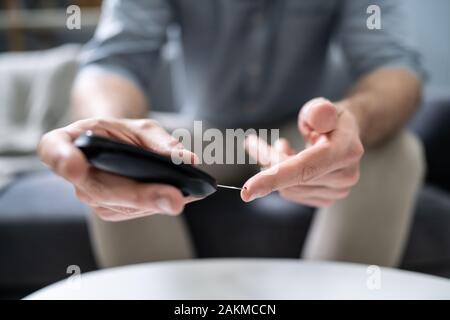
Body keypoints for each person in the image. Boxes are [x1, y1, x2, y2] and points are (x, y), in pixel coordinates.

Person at [38, 0, 424, 268]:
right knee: (125, 156)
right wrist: (112, 128)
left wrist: (353, 116)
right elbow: (116, 59)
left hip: (298, 133)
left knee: (396, 151)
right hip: (204, 136)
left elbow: (392, 64)